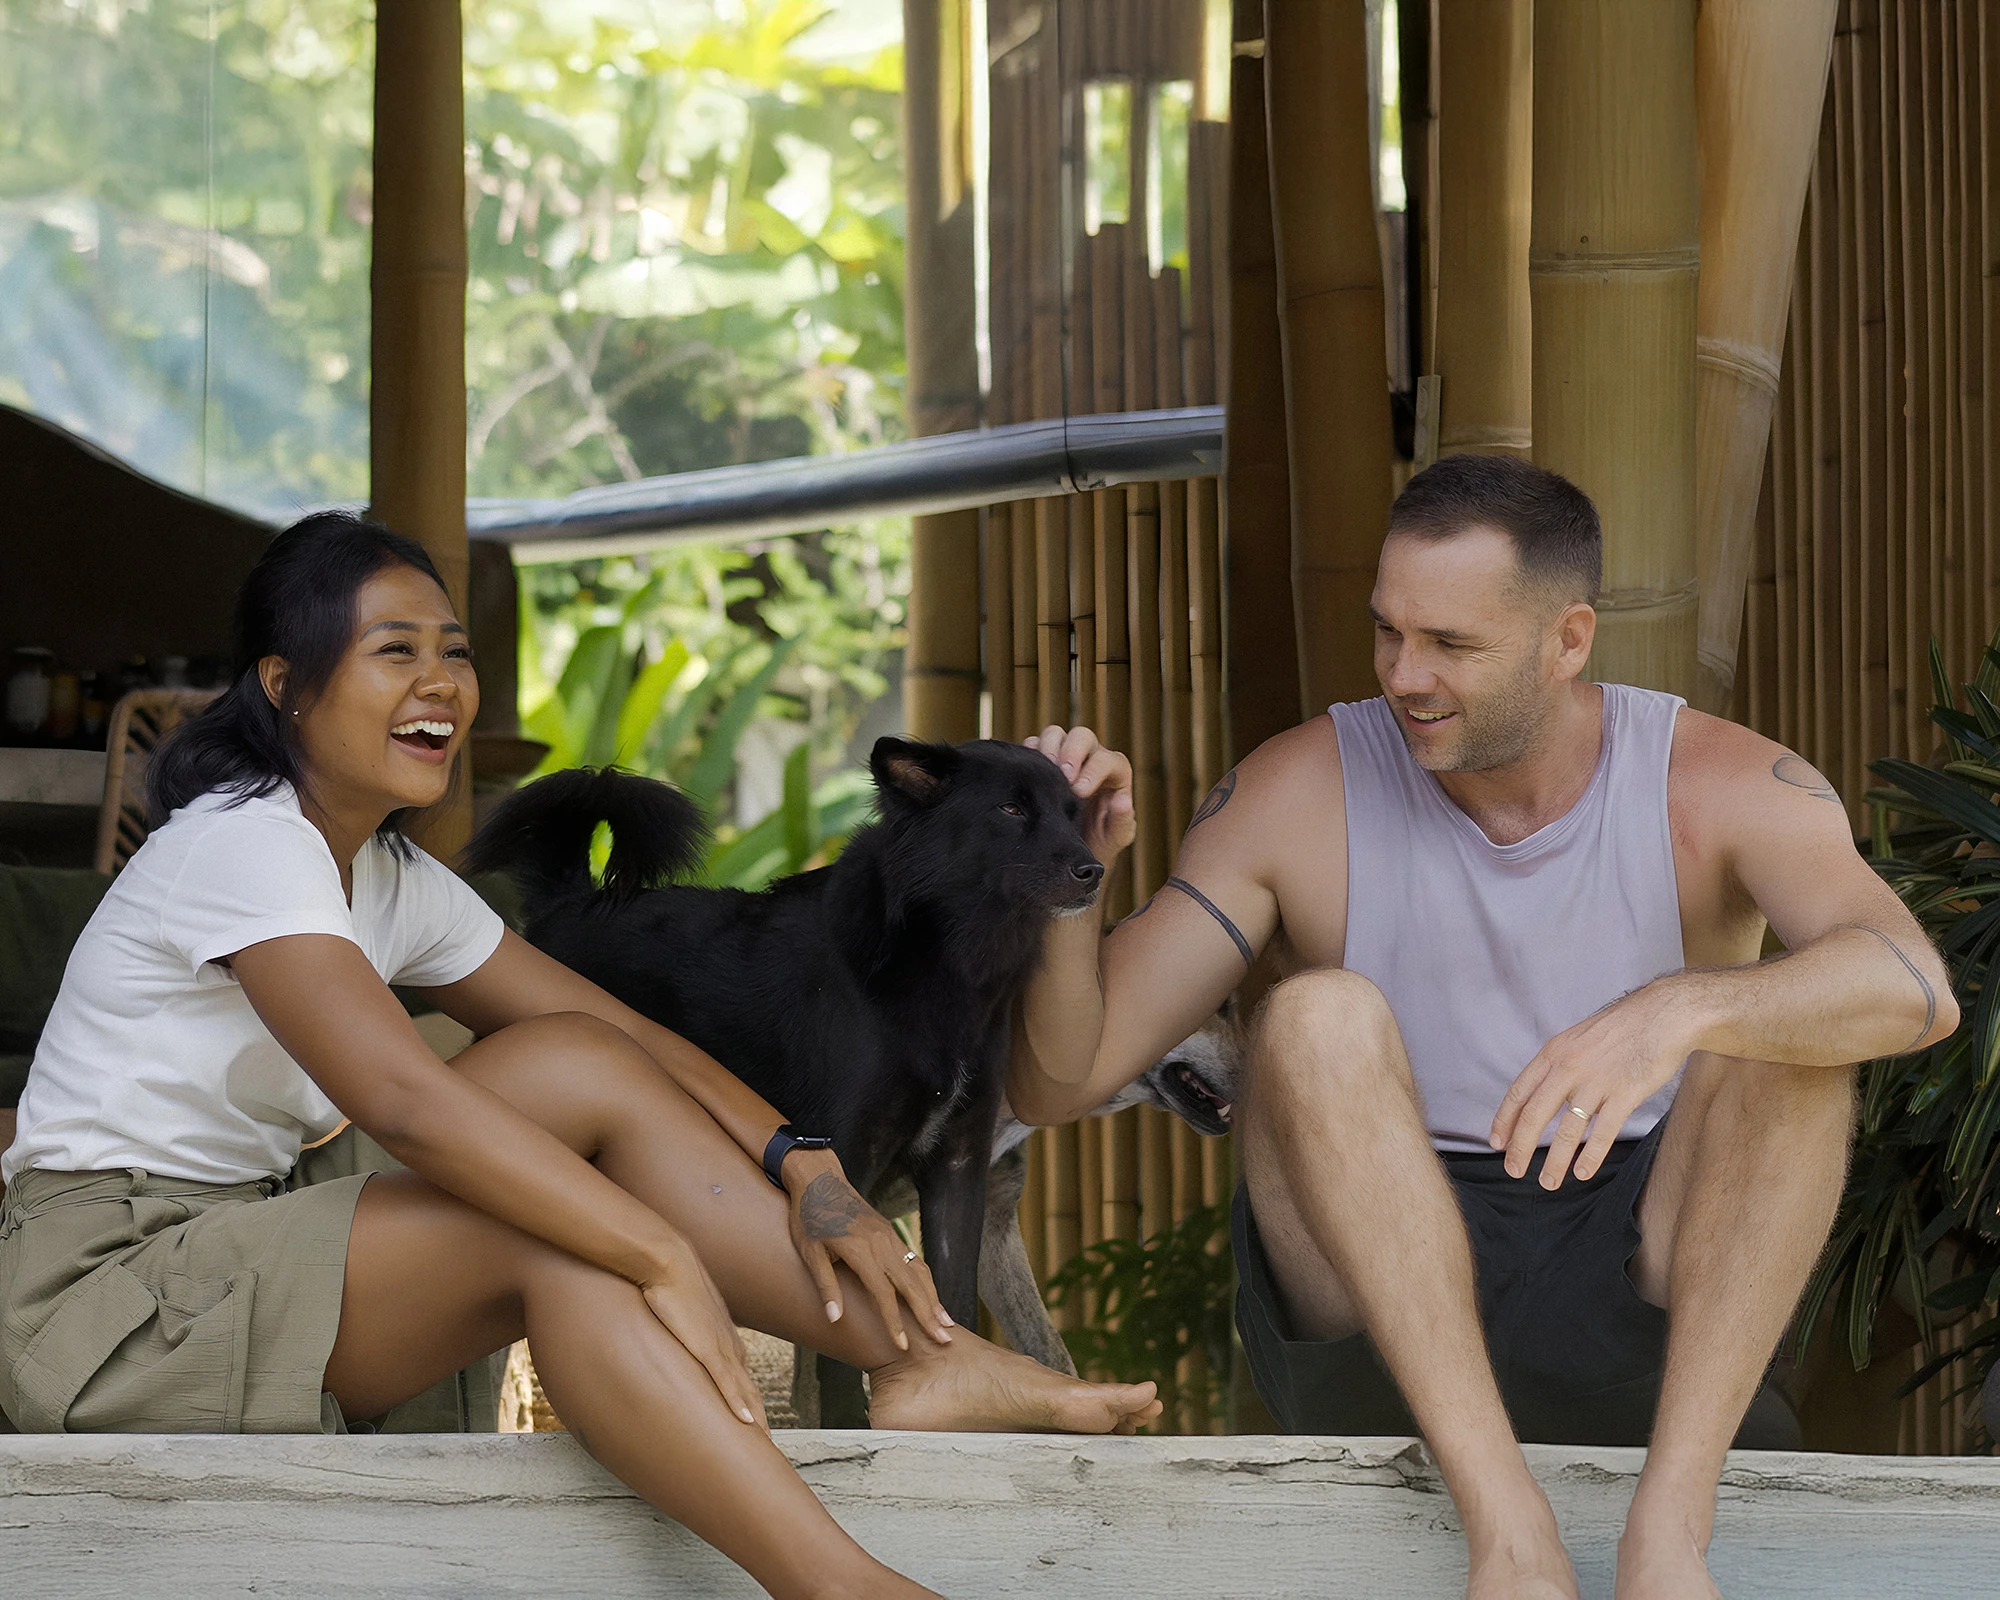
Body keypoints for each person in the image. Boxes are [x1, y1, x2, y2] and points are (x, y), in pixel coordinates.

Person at [0, 511, 1159, 1600]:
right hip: (109, 1297)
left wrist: (801, 1158)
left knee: (574, 1055)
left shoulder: (387, 878)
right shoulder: (247, 844)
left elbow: (624, 1042)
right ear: (284, 684)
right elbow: (401, 1103)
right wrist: (659, 1250)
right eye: (393, 651)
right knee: (568, 1243)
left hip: (236, 1236)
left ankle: (915, 1362)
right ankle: (843, 1578)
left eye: (453, 652)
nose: (439, 682)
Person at [1008, 455, 1955, 1600]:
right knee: (1310, 1013)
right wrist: (1065, 876)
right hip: (1377, 1304)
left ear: (1567, 640)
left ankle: (1667, 1537)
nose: (1404, 675)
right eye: (1387, 631)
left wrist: (1674, 1006)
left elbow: (1914, 988)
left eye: (1449, 644)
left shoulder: (1717, 778)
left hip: (1644, 1295)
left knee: (1786, 1031)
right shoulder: (1294, 790)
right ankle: (1509, 1536)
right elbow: (1058, 1080)